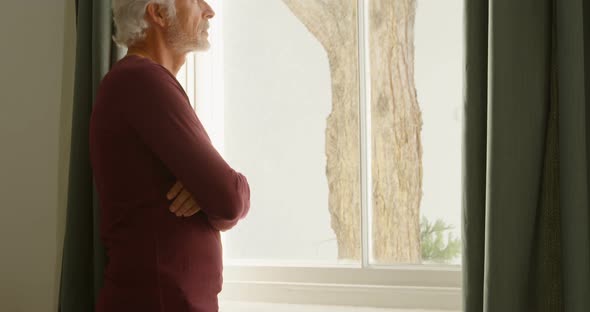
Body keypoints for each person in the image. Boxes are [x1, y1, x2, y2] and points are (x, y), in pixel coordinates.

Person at [89, 0, 251, 311]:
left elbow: (220, 196)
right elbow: (229, 197)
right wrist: (216, 194)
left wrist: (206, 193)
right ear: (159, 13)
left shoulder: (141, 82)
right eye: (194, 0)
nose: (209, 10)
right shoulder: (141, 80)